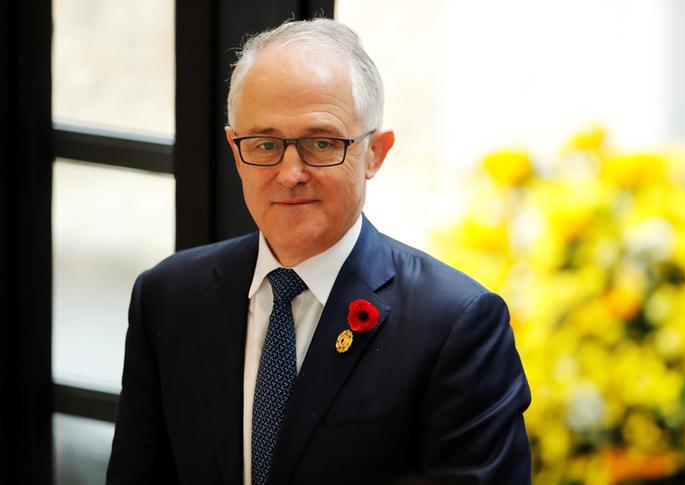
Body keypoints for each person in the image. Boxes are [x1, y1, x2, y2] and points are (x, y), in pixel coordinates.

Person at [107, 18, 531, 485]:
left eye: (321, 143)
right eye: (265, 144)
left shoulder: (456, 325)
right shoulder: (168, 297)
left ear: (375, 153)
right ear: (234, 149)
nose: (290, 174)